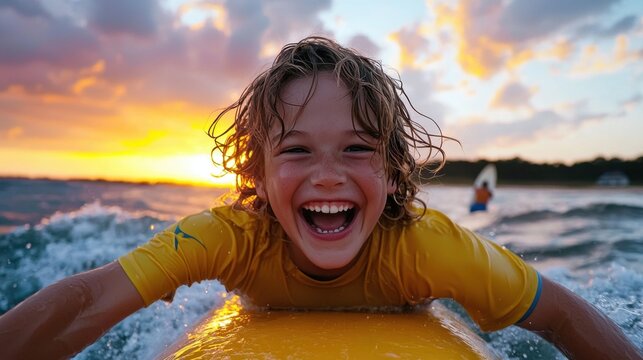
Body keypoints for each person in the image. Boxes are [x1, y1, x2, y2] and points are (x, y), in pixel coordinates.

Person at [0, 36, 640, 360]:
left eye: (358, 150)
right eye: (298, 151)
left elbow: (560, 315)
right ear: (257, 172)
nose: (328, 176)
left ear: (393, 174)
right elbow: (89, 300)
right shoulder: (228, 237)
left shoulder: (429, 249)